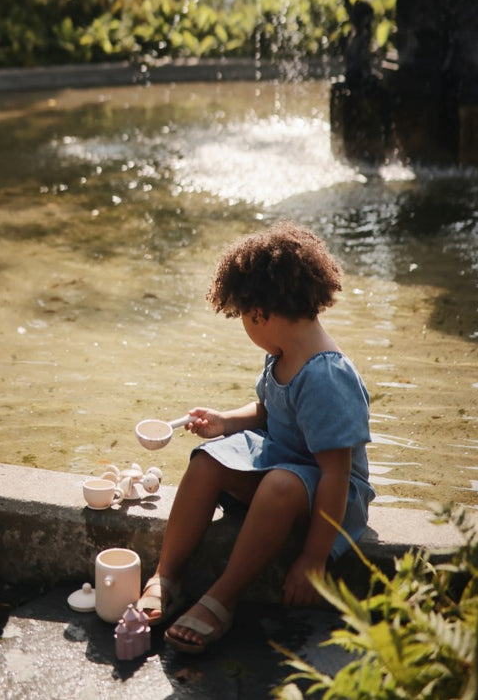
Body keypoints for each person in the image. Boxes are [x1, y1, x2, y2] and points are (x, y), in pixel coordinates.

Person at [137, 223, 375, 654]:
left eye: (243, 317)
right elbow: (267, 411)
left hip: (328, 495)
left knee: (280, 484)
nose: (246, 326)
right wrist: (224, 422)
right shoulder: (281, 354)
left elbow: (336, 475)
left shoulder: (326, 377)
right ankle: (164, 576)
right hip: (280, 464)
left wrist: (314, 558)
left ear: (259, 314)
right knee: (207, 459)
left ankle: (222, 598)